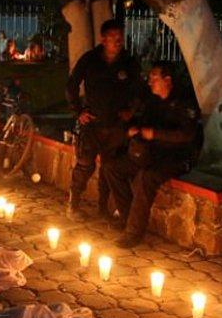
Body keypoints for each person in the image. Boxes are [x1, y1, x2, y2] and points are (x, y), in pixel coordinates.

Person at [104, 62, 200, 247]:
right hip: (153, 153)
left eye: (154, 78)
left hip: (176, 157)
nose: (150, 82)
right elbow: (143, 123)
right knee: (112, 168)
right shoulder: (153, 101)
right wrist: (133, 128)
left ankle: (133, 233)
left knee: (145, 177)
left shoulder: (184, 102)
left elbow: (186, 134)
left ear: (167, 80)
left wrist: (155, 134)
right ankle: (127, 218)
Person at [65, 19, 140, 221]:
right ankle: (73, 204)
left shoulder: (129, 62)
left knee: (109, 167)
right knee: (85, 165)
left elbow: (138, 90)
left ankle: (103, 208)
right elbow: (71, 85)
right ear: (103, 39)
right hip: (92, 123)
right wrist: (78, 111)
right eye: (113, 37)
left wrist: (131, 111)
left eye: (120, 37)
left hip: (116, 126)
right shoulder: (90, 59)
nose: (117, 41)